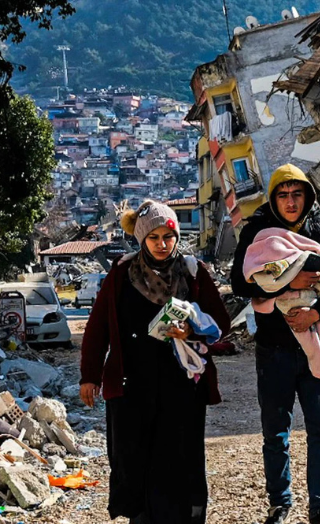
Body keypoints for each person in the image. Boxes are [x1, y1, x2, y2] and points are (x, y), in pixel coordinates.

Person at [79, 200, 231, 524]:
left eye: (168, 236)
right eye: (154, 238)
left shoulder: (193, 273)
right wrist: (89, 376)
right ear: (142, 239)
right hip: (132, 384)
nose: (162, 244)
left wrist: (191, 329)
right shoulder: (121, 274)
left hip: (181, 387)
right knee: (133, 458)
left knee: (179, 458)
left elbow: (221, 322)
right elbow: (98, 327)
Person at [231, 165, 320, 524]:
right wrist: (287, 283)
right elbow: (239, 282)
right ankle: (279, 504)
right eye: (283, 195)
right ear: (273, 199)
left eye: (296, 194)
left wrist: (317, 312)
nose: (290, 202)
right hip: (275, 349)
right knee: (275, 432)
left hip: (319, 342)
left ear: (308, 196)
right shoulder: (256, 230)